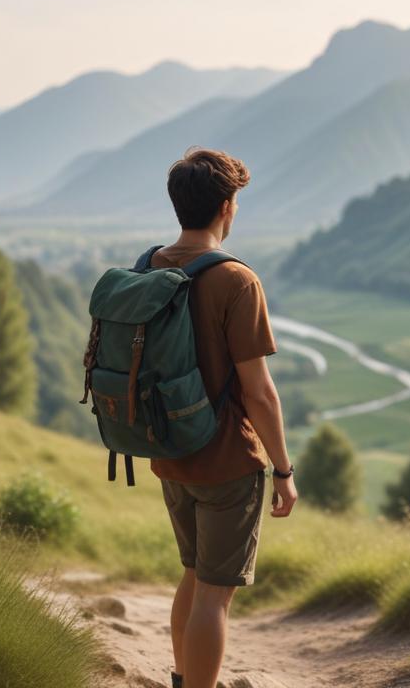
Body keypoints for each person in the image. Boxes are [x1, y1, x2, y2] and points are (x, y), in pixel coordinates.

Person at [146, 147, 297, 688]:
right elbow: (259, 393)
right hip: (227, 460)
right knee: (215, 595)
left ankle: (184, 680)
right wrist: (283, 470)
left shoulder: (152, 266)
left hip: (170, 453)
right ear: (227, 206)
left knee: (191, 577)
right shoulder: (236, 280)